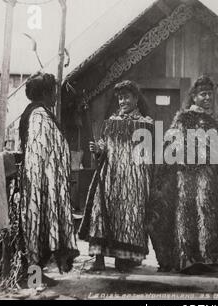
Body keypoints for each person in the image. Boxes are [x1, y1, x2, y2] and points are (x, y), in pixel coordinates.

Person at [149, 75, 218, 274]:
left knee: (208, 213)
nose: (207, 98)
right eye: (203, 94)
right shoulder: (183, 118)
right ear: (194, 97)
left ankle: (208, 257)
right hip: (187, 176)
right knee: (187, 214)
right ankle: (188, 258)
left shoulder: (217, 122)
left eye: (210, 94)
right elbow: (170, 143)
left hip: (210, 177)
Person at [79, 80, 153, 272]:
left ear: (136, 99)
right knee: (102, 212)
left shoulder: (146, 124)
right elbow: (106, 145)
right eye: (120, 98)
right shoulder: (111, 122)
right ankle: (99, 258)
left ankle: (124, 258)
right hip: (110, 175)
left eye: (126, 97)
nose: (123, 101)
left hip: (133, 179)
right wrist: (98, 149)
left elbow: (149, 154)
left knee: (129, 217)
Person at [17, 72, 79, 278]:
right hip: (40, 182)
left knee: (39, 229)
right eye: (54, 91)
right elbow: (39, 152)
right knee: (36, 229)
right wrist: (49, 182)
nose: (56, 96)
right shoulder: (38, 115)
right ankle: (34, 281)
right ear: (45, 92)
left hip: (43, 181)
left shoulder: (38, 113)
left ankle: (37, 277)